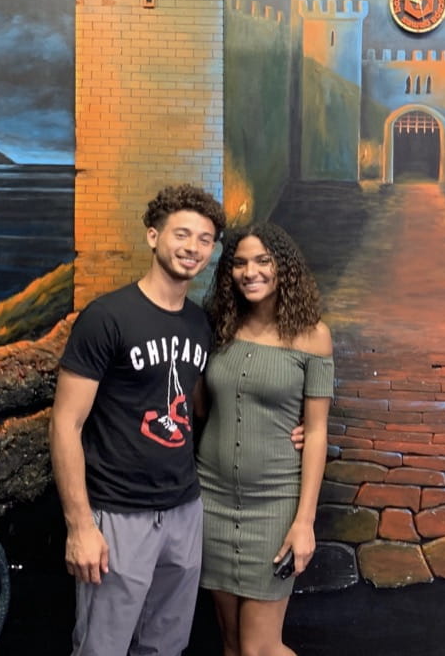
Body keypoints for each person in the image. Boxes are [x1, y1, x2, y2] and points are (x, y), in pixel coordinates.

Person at [49, 184, 226, 656]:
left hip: (184, 510)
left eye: (205, 239)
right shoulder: (106, 317)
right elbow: (65, 424)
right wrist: (80, 527)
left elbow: (200, 408)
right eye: (181, 234)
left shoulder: (199, 325)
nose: (193, 248)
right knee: (102, 648)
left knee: (167, 646)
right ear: (153, 236)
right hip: (117, 514)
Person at [197, 222, 334, 656]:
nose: (250, 272)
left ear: (283, 267)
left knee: (259, 649)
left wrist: (304, 522)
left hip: (275, 505)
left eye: (262, 261)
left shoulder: (313, 336)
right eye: (239, 263)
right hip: (211, 502)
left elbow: (316, 431)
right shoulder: (218, 328)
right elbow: (200, 409)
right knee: (232, 645)